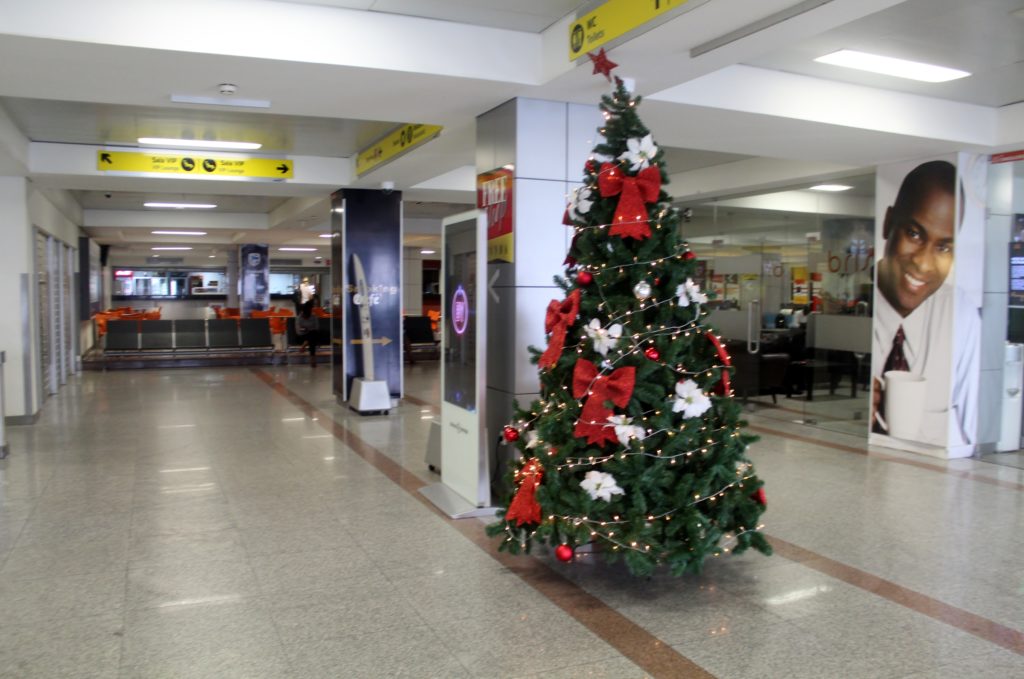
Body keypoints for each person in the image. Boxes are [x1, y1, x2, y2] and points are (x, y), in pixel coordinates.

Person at [871, 159, 977, 447]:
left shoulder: (960, 314)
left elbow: (971, 427)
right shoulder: (857, 305)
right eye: (914, 234)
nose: (924, 262)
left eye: (943, 247)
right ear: (889, 223)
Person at [295, 300, 322, 367]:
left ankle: (304, 345)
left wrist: (306, 329)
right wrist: (307, 330)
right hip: (302, 336)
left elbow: (317, 327)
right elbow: (298, 331)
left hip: (313, 335)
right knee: (312, 336)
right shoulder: (299, 318)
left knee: (312, 335)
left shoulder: (314, 317)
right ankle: (313, 360)